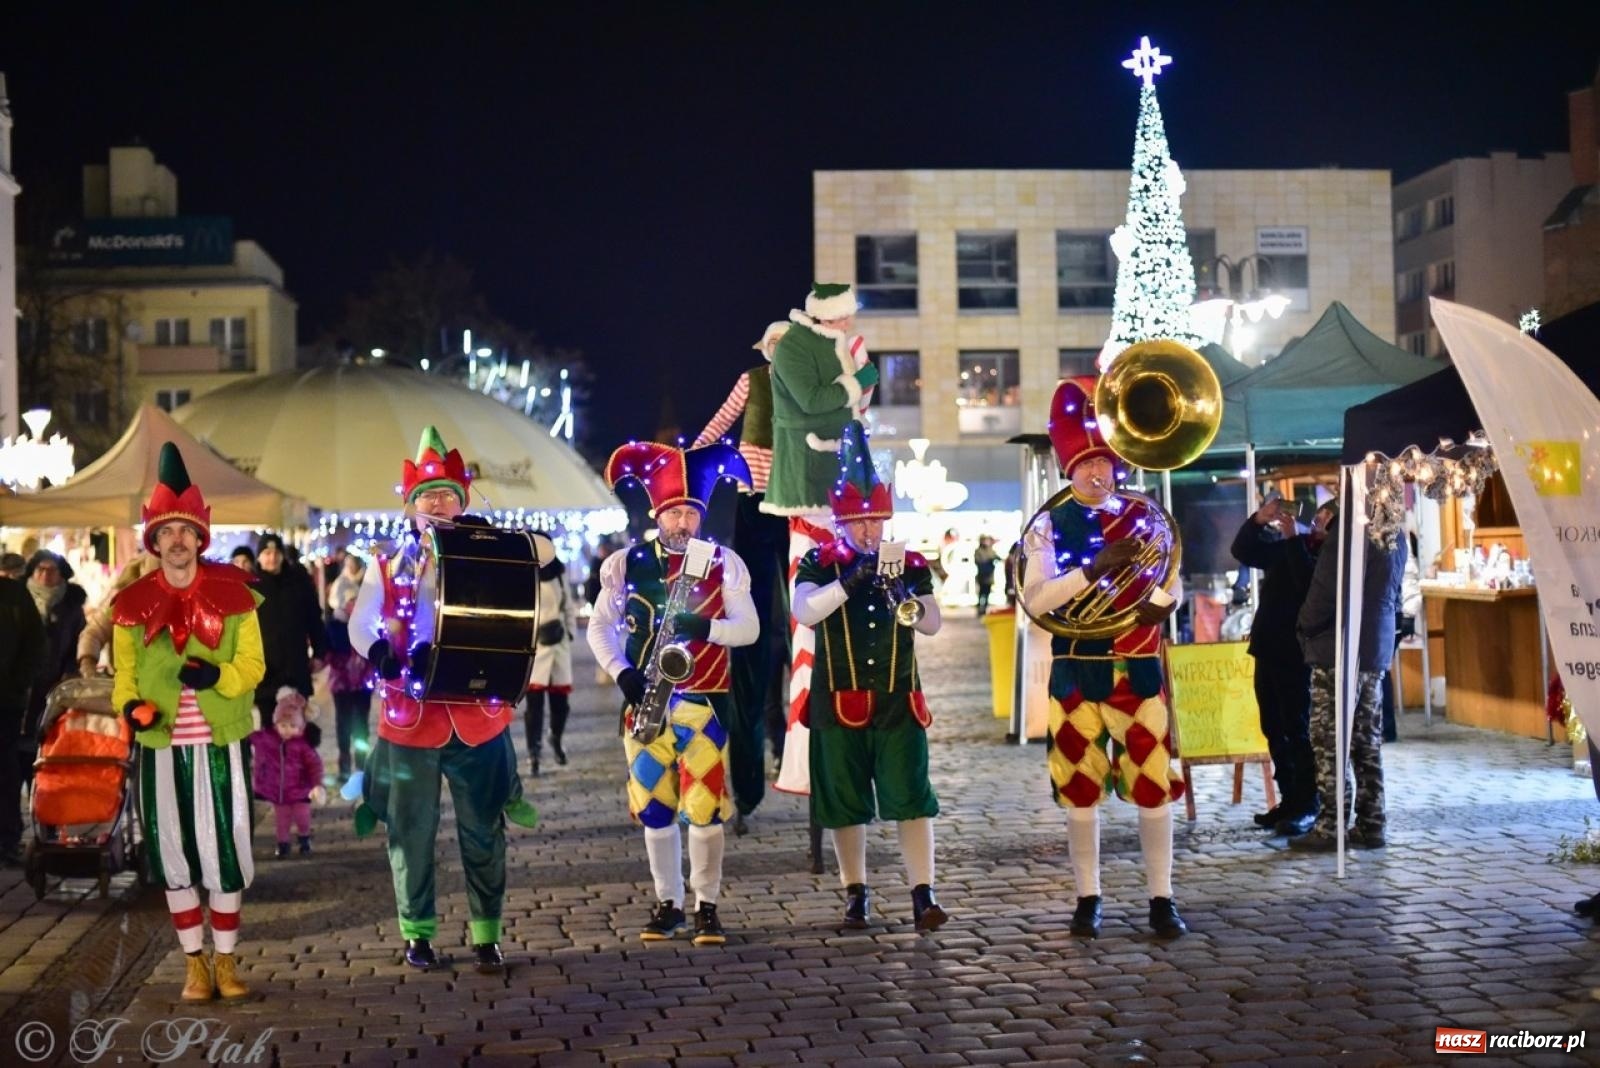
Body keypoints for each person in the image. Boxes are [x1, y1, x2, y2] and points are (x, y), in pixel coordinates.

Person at [348, 426, 540, 974]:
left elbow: (541, 555)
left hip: (476, 716)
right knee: (411, 835)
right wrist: (378, 649)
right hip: (411, 719)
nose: (437, 504)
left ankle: (487, 935)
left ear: (462, 501)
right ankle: (418, 933)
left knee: (484, 833)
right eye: (427, 496)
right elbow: (361, 621)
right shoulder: (387, 562)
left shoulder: (489, 551)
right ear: (411, 506)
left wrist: (499, 541)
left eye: (446, 495)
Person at [1020, 377, 1188, 939]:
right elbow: (1036, 600)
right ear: (1067, 470)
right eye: (1087, 463)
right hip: (1075, 673)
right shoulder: (1048, 525)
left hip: (1137, 670)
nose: (1098, 472)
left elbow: (1172, 580)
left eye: (1105, 463)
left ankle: (1161, 897)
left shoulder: (1144, 516)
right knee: (1078, 787)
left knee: (1153, 783)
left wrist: (1161, 604)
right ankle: (1087, 897)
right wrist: (1091, 570)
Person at [590, 440, 759, 945]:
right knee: (655, 809)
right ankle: (669, 903)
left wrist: (706, 628)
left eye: (690, 513)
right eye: (674, 513)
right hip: (646, 706)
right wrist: (621, 672)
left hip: (704, 707)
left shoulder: (724, 562)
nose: (682, 523)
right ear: (657, 514)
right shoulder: (626, 563)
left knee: (705, 811)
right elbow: (599, 627)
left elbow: (749, 629)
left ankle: (707, 905)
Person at [113, 443, 265, 1002]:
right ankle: (194, 964)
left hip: (220, 744)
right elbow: (124, 677)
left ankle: (226, 962)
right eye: (166, 532)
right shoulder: (129, 605)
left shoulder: (236, 597)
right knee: (174, 854)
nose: (177, 540)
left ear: (201, 537)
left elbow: (254, 665)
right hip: (161, 746)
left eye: (185, 531)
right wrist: (130, 708)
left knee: (225, 850)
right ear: (153, 541)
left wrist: (217, 675)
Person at [793, 422, 948, 932]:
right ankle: (855, 892)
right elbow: (804, 612)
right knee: (844, 802)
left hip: (899, 698)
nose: (868, 532)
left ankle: (923, 893)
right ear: (841, 523)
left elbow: (931, 623)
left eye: (876, 521)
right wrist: (849, 581)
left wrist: (903, 593)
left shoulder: (910, 563)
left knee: (912, 796)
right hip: (837, 699)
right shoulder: (818, 562)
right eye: (859, 523)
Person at [760, 283, 875, 806]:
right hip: (806, 489)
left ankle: (848, 744)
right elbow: (816, 403)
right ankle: (804, 754)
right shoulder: (793, 348)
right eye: (843, 318)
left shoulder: (835, 345)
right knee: (808, 627)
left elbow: (850, 411)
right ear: (827, 318)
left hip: (842, 488)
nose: (849, 325)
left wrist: (856, 386)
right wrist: (858, 381)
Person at [693, 321, 792, 831]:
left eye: (785, 345)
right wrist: (694, 453)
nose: (778, 352)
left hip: (794, 505)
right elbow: (722, 420)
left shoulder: (805, 384)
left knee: (796, 612)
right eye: (773, 345)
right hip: (755, 502)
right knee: (751, 624)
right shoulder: (751, 380)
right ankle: (749, 786)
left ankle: (795, 759)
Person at [1292, 503, 1406, 851]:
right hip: (1374, 647)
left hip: (1337, 647)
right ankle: (1372, 822)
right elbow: (1395, 592)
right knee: (1366, 740)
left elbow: (1324, 593)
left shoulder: (1347, 533)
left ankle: (1331, 825)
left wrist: (1304, 628)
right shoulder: (1394, 530)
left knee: (1330, 740)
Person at [1229, 497, 1330, 837]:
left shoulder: (1327, 555)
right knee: (1272, 725)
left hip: (1298, 652)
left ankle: (1308, 803)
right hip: (1268, 645)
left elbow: (1307, 584)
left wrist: (1292, 541)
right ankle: (1289, 797)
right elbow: (1244, 551)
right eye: (1318, 515)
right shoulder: (1293, 546)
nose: (1317, 521)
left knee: (1297, 727)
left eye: (1326, 518)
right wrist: (1259, 519)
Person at [252, 533, 327, 734]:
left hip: (295, 669)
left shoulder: (298, 582)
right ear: (259, 557)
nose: (272, 557)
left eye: (276, 552)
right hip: (266, 674)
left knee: (297, 730)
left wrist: (319, 653)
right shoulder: (251, 586)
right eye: (267, 553)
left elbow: (314, 620)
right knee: (269, 731)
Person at [0, 571, 45, 866]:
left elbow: (35, 643)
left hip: (5, 700)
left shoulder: (13, 594)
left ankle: (7, 838)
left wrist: (18, 683)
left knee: (5, 768)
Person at [249, 689, 327, 858]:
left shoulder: (303, 745)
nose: (286, 730)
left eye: (292, 726)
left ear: (300, 727)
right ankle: (282, 844)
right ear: (276, 724)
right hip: (279, 793)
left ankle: (304, 838)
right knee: (281, 821)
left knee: (302, 817)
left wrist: (317, 784)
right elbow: (251, 737)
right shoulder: (268, 739)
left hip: (300, 791)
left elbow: (315, 766)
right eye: (283, 725)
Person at [523, 551, 576, 775]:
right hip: (536, 646)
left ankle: (556, 737)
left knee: (560, 703)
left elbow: (568, 606)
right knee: (534, 705)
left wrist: (570, 632)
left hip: (559, 643)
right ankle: (533, 750)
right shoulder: (527, 572)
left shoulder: (559, 572)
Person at [324, 553, 371, 780]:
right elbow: (330, 653)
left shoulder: (367, 625)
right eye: (349, 601)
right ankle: (344, 765)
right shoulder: (335, 626)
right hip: (341, 684)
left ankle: (361, 765)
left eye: (356, 601)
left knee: (362, 725)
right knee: (343, 725)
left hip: (362, 683)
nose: (353, 605)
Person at [973, 535, 999, 616]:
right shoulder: (978, 551)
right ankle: (980, 609)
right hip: (982, 576)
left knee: (986, 593)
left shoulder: (990, 550)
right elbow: (978, 561)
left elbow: (996, 557)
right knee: (981, 593)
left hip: (989, 576)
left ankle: (984, 609)